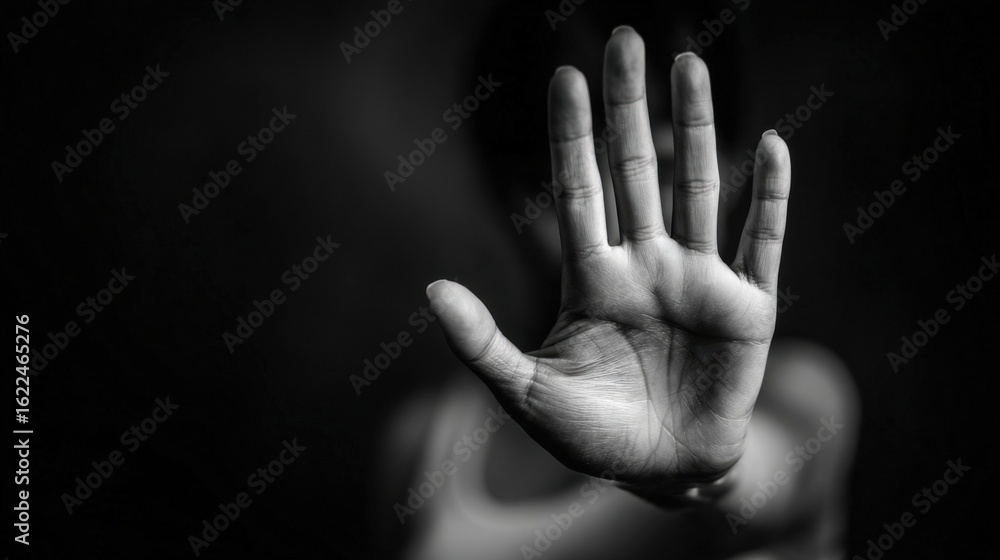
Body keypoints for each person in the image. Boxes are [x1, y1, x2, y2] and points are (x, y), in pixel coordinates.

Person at [381, 21, 860, 560]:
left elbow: (764, 483)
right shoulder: (424, 442)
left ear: (726, 172)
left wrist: (705, 474)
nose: (603, 205)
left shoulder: (801, 398)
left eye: (666, 167)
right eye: (547, 178)